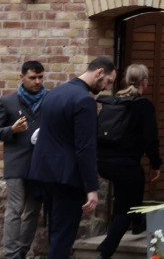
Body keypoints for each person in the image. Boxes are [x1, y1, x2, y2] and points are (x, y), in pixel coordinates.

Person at [28, 56, 115, 259]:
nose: (106, 87)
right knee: (62, 238)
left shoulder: (55, 93)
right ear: (99, 72)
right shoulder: (84, 100)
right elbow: (85, 147)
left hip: (44, 173)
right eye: (108, 81)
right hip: (67, 178)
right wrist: (91, 187)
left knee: (55, 234)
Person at [96, 64, 161, 259]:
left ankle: (138, 224)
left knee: (131, 185)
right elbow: (151, 140)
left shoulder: (114, 101)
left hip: (104, 162)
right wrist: (156, 164)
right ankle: (104, 252)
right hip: (125, 165)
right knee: (124, 210)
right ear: (145, 82)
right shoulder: (143, 106)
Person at [0, 61, 46, 259]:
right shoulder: (8, 101)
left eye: (40, 77)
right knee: (15, 210)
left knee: (33, 210)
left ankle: (22, 252)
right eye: (32, 78)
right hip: (16, 164)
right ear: (22, 77)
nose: (37, 82)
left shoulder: (50, 99)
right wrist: (12, 130)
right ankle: (10, 254)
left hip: (40, 165)